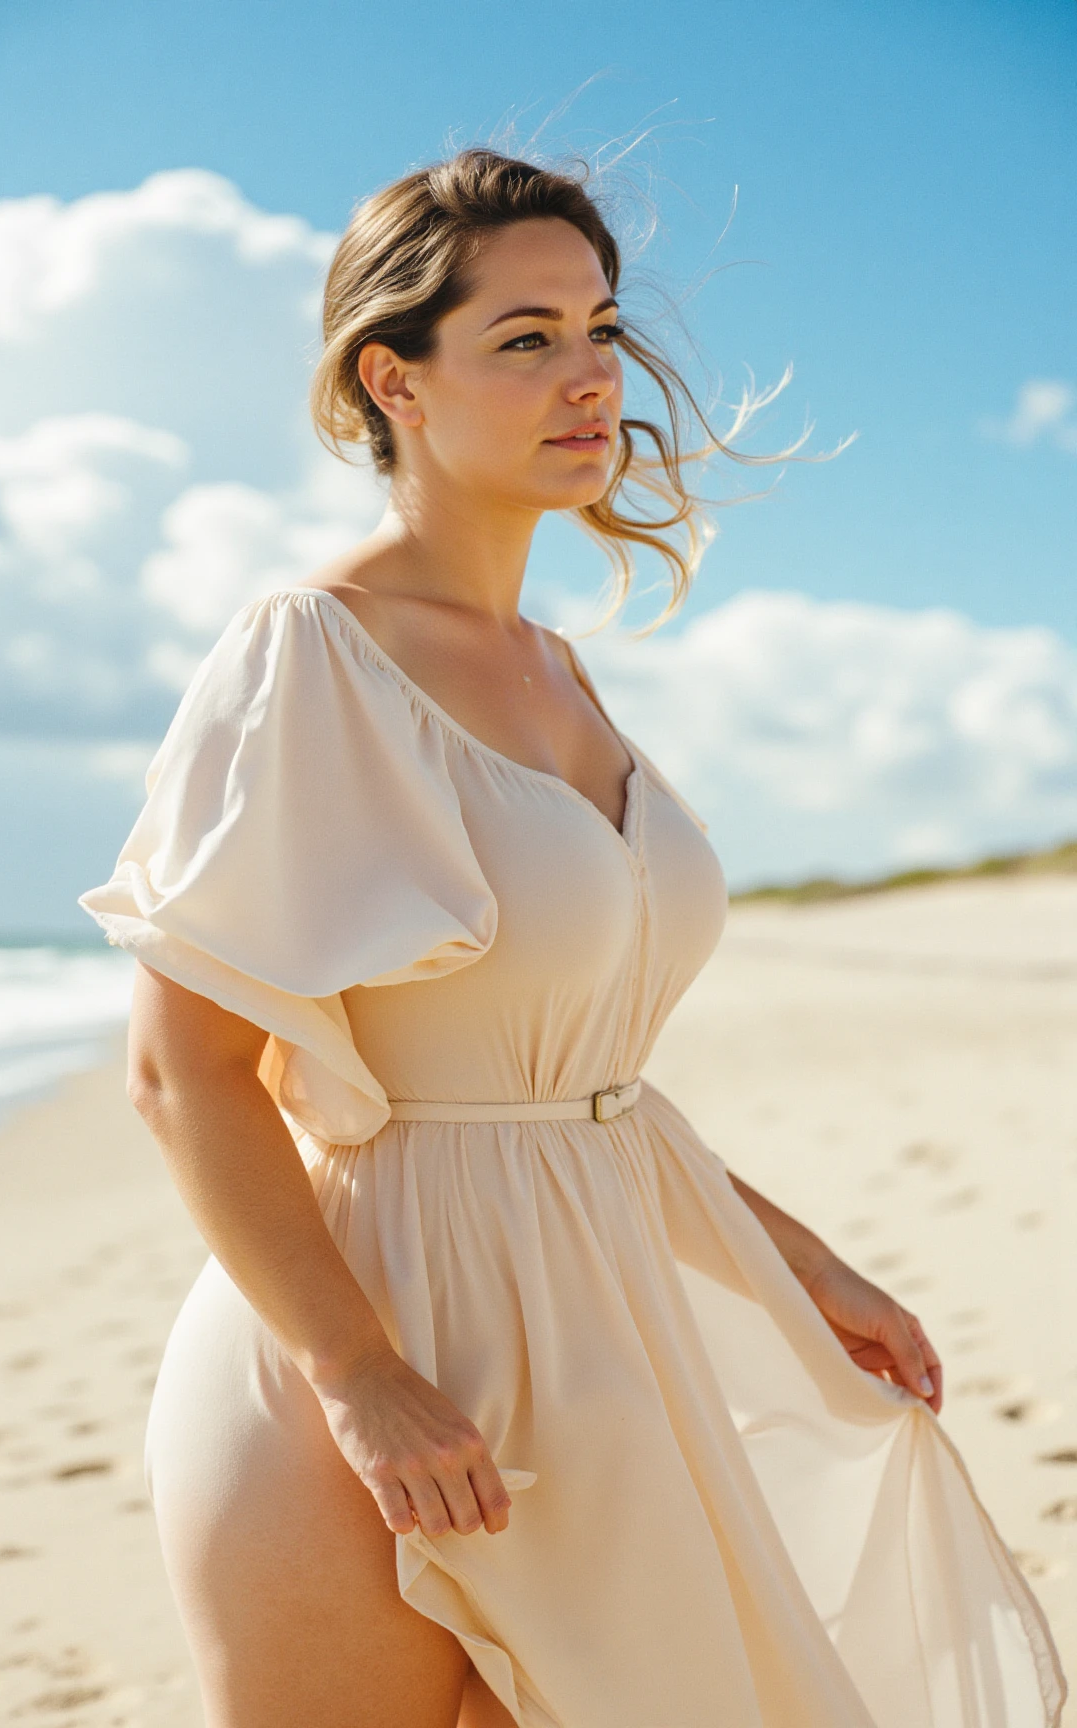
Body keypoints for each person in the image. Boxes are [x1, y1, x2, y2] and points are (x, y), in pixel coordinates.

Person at [79, 149, 1065, 1728]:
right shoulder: (310, 659)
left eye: (601, 329)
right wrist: (363, 1381)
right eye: (526, 337)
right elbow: (178, 1070)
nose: (592, 377)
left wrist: (798, 1264)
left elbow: (575, 1086)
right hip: (374, 1353)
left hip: (602, 1344)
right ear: (392, 379)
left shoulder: (559, 670)